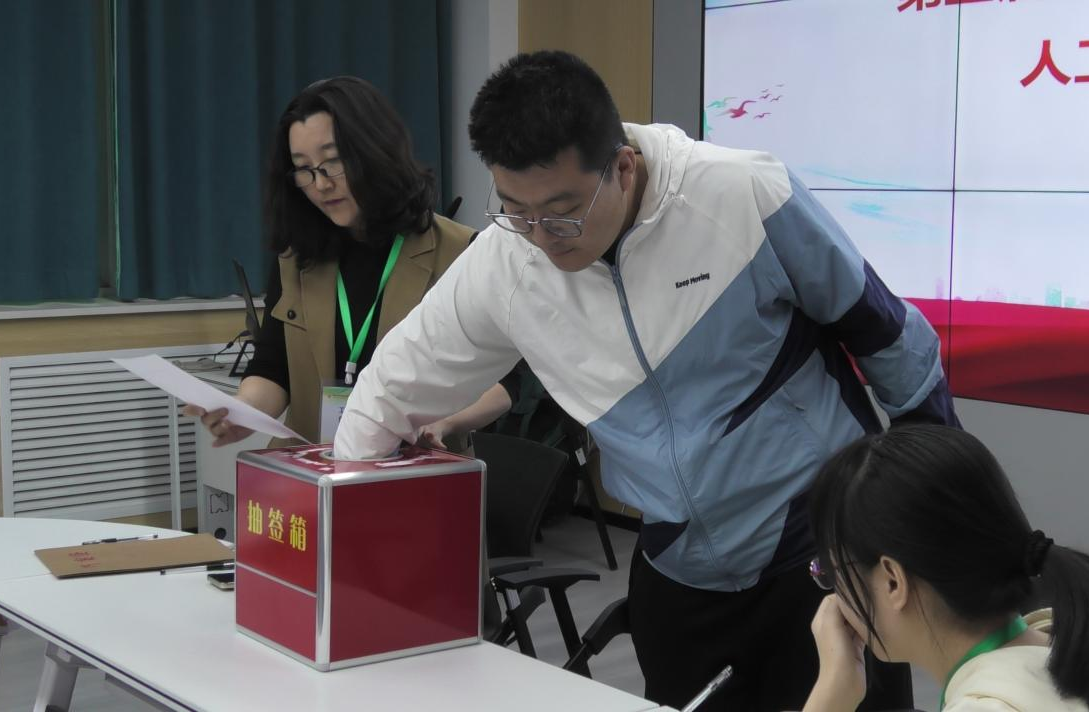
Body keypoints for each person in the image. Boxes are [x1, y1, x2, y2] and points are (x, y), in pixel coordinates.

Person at [335, 51, 959, 711]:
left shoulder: (743, 193)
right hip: (677, 571)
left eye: (563, 211)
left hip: (820, 550)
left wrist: (933, 506)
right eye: (516, 210)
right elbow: (392, 385)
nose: (542, 237)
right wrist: (339, 537)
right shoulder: (505, 261)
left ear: (624, 167)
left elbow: (888, 335)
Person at [183, 76, 509, 447]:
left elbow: (504, 381)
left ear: (376, 151)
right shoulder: (297, 257)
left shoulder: (460, 252)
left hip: (411, 464)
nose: (320, 184)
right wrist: (242, 412)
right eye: (304, 169)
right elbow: (274, 366)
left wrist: (445, 422)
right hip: (314, 465)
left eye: (333, 162)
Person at [802, 425, 1089, 712]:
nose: (835, 595)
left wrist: (831, 696)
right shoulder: (1073, 650)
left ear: (893, 581)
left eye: (834, 572)